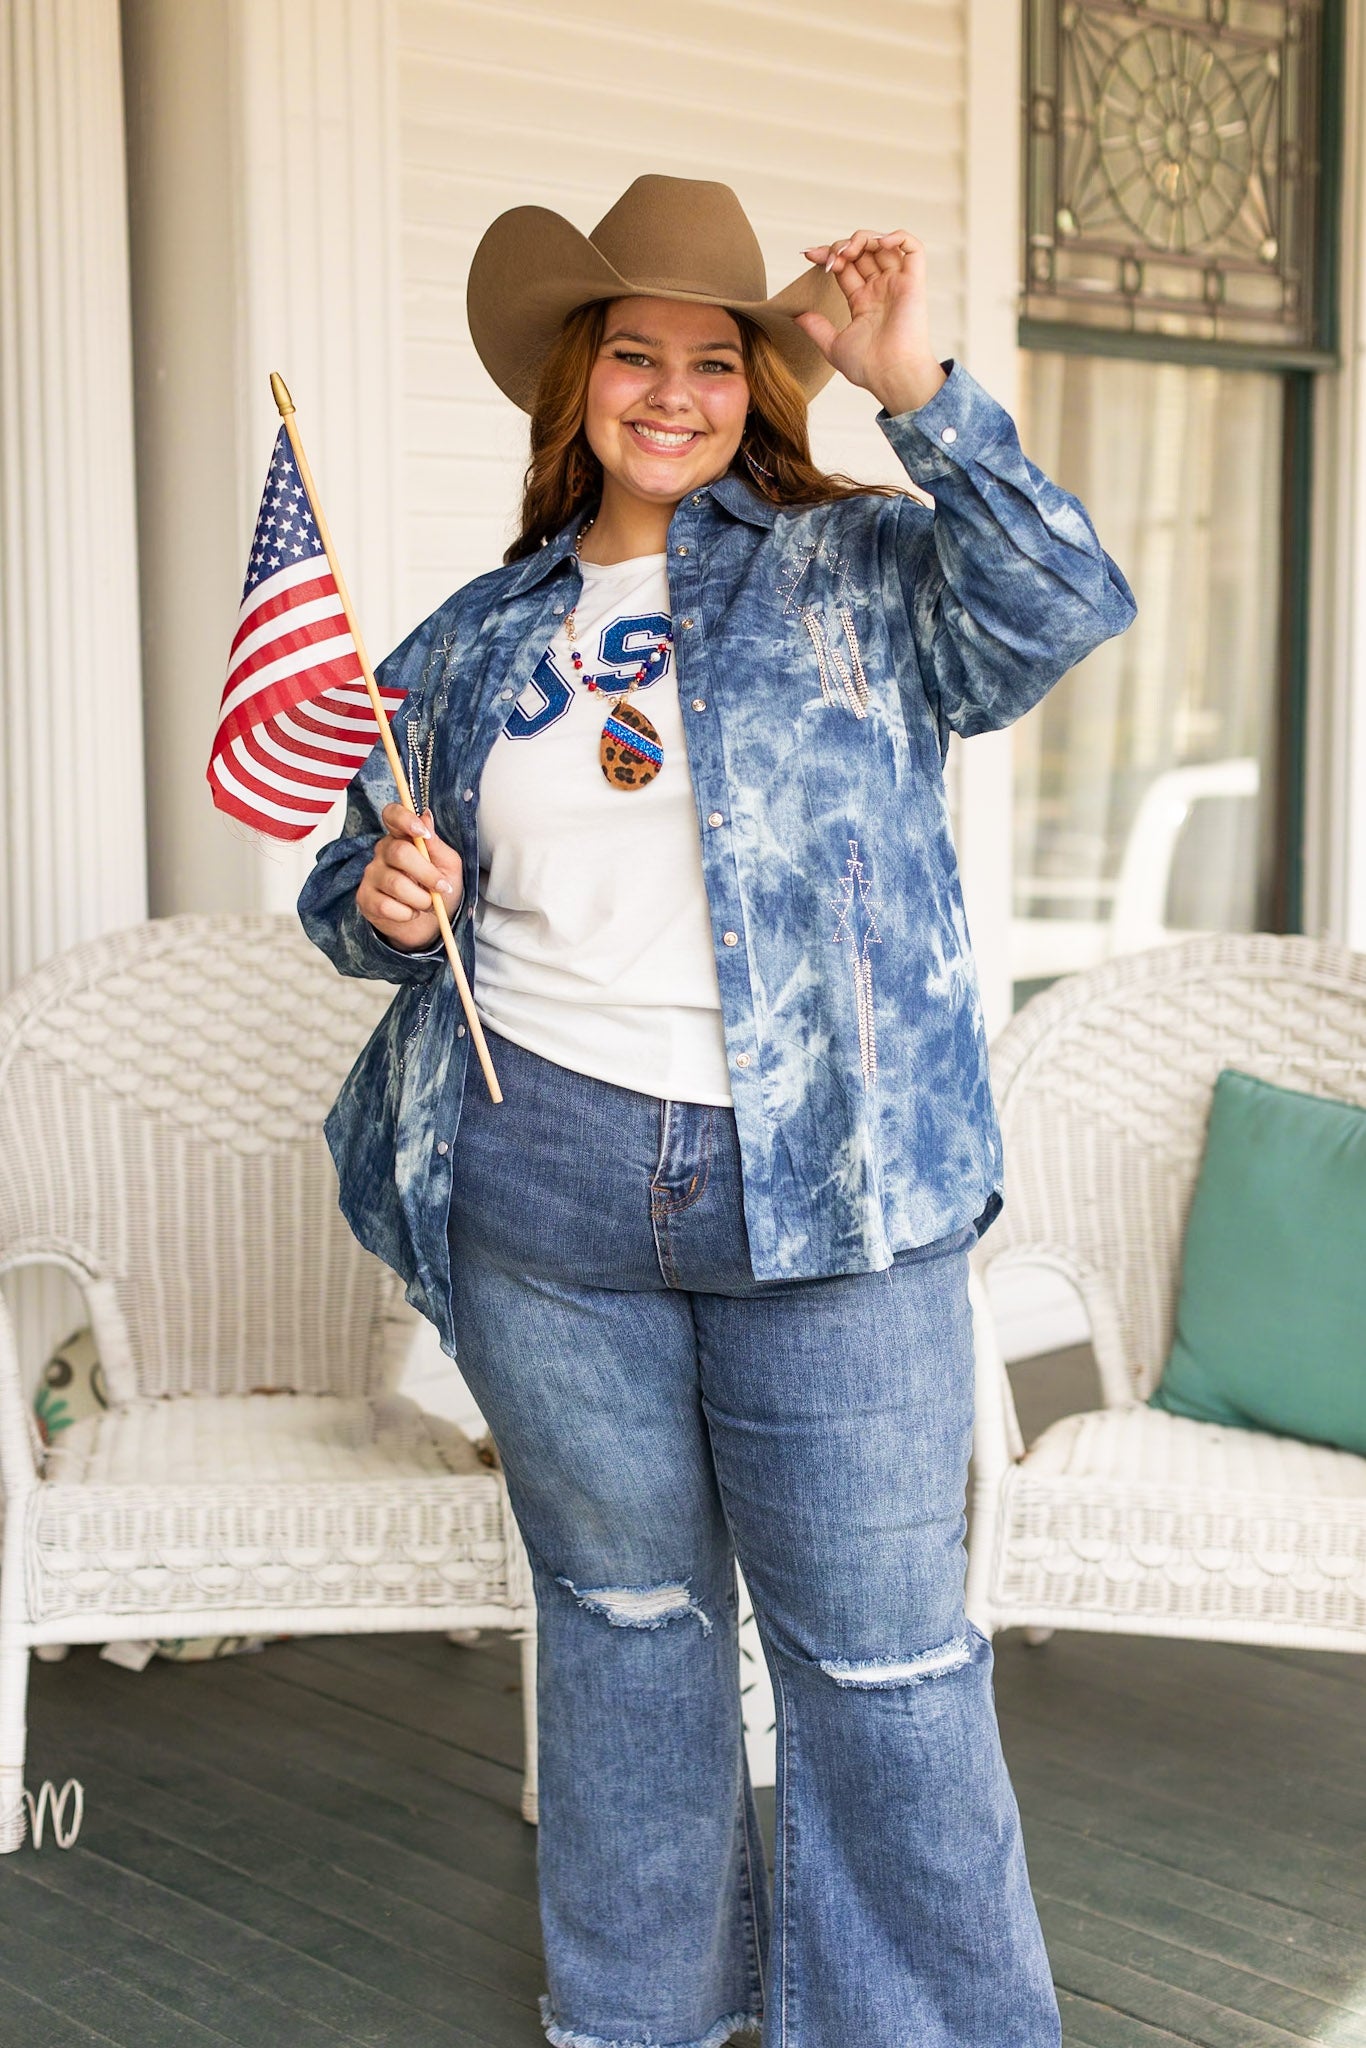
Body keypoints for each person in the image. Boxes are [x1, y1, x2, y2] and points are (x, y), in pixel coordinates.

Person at [299, 174, 1135, 2048]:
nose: (667, 392)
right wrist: (376, 900)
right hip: (547, 1181)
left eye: (708, 359)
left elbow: (1065, 602)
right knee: (623, 1634)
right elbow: (361, 882)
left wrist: (917, 386)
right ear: (575, 387)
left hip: (829, 1195)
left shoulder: (862, 572)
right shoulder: (472, 633)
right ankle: (640, 2015)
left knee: (884, 1658)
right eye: (630, 356)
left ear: (761, 383)